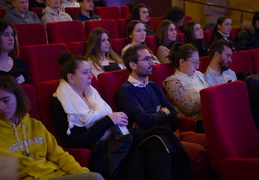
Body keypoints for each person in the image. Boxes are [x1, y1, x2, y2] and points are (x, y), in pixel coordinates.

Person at [116, 44, 210, 180]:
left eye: (151, 58)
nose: (152, 63)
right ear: (133, 65)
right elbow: (146, 121)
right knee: (198, 152)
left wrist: (158, 114)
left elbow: (172, 114)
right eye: (147, 59)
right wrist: (161, 112)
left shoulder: (153, 85)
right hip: (156, 139)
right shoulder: (126, 90)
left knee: (210, 141)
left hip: (171, 132)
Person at [0, 75, 104, 180]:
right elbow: (6, 175)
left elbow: (59, 155)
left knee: (92, 177)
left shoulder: (35, 125)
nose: (1, 107)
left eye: (5, 100)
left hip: (57, 174)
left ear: (18, 98)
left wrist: (81, 172)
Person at [51, 51, 128, 149]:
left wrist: (120, 120)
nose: (90, 76)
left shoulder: (93, 93)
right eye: (85, 72)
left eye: (90, 71)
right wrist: (108, 121)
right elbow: (75, 142)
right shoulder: (60, 104)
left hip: (116, 142)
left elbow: (112, 117)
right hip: (101, 152)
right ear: (71, 77)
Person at [163, 42, 209, 122]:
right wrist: (210, 97)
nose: (197, 66)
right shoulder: (173, 82)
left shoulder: (198, 74)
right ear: (182, 62)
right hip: (195, 121)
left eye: (198, 62)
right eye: (194, 62)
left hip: (208, 114)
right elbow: (189, 108)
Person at [0, 20, 31, 85]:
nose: (11, 38)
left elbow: (29, 89)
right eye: (6, 35)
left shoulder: (19, 62)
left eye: (12, 34)